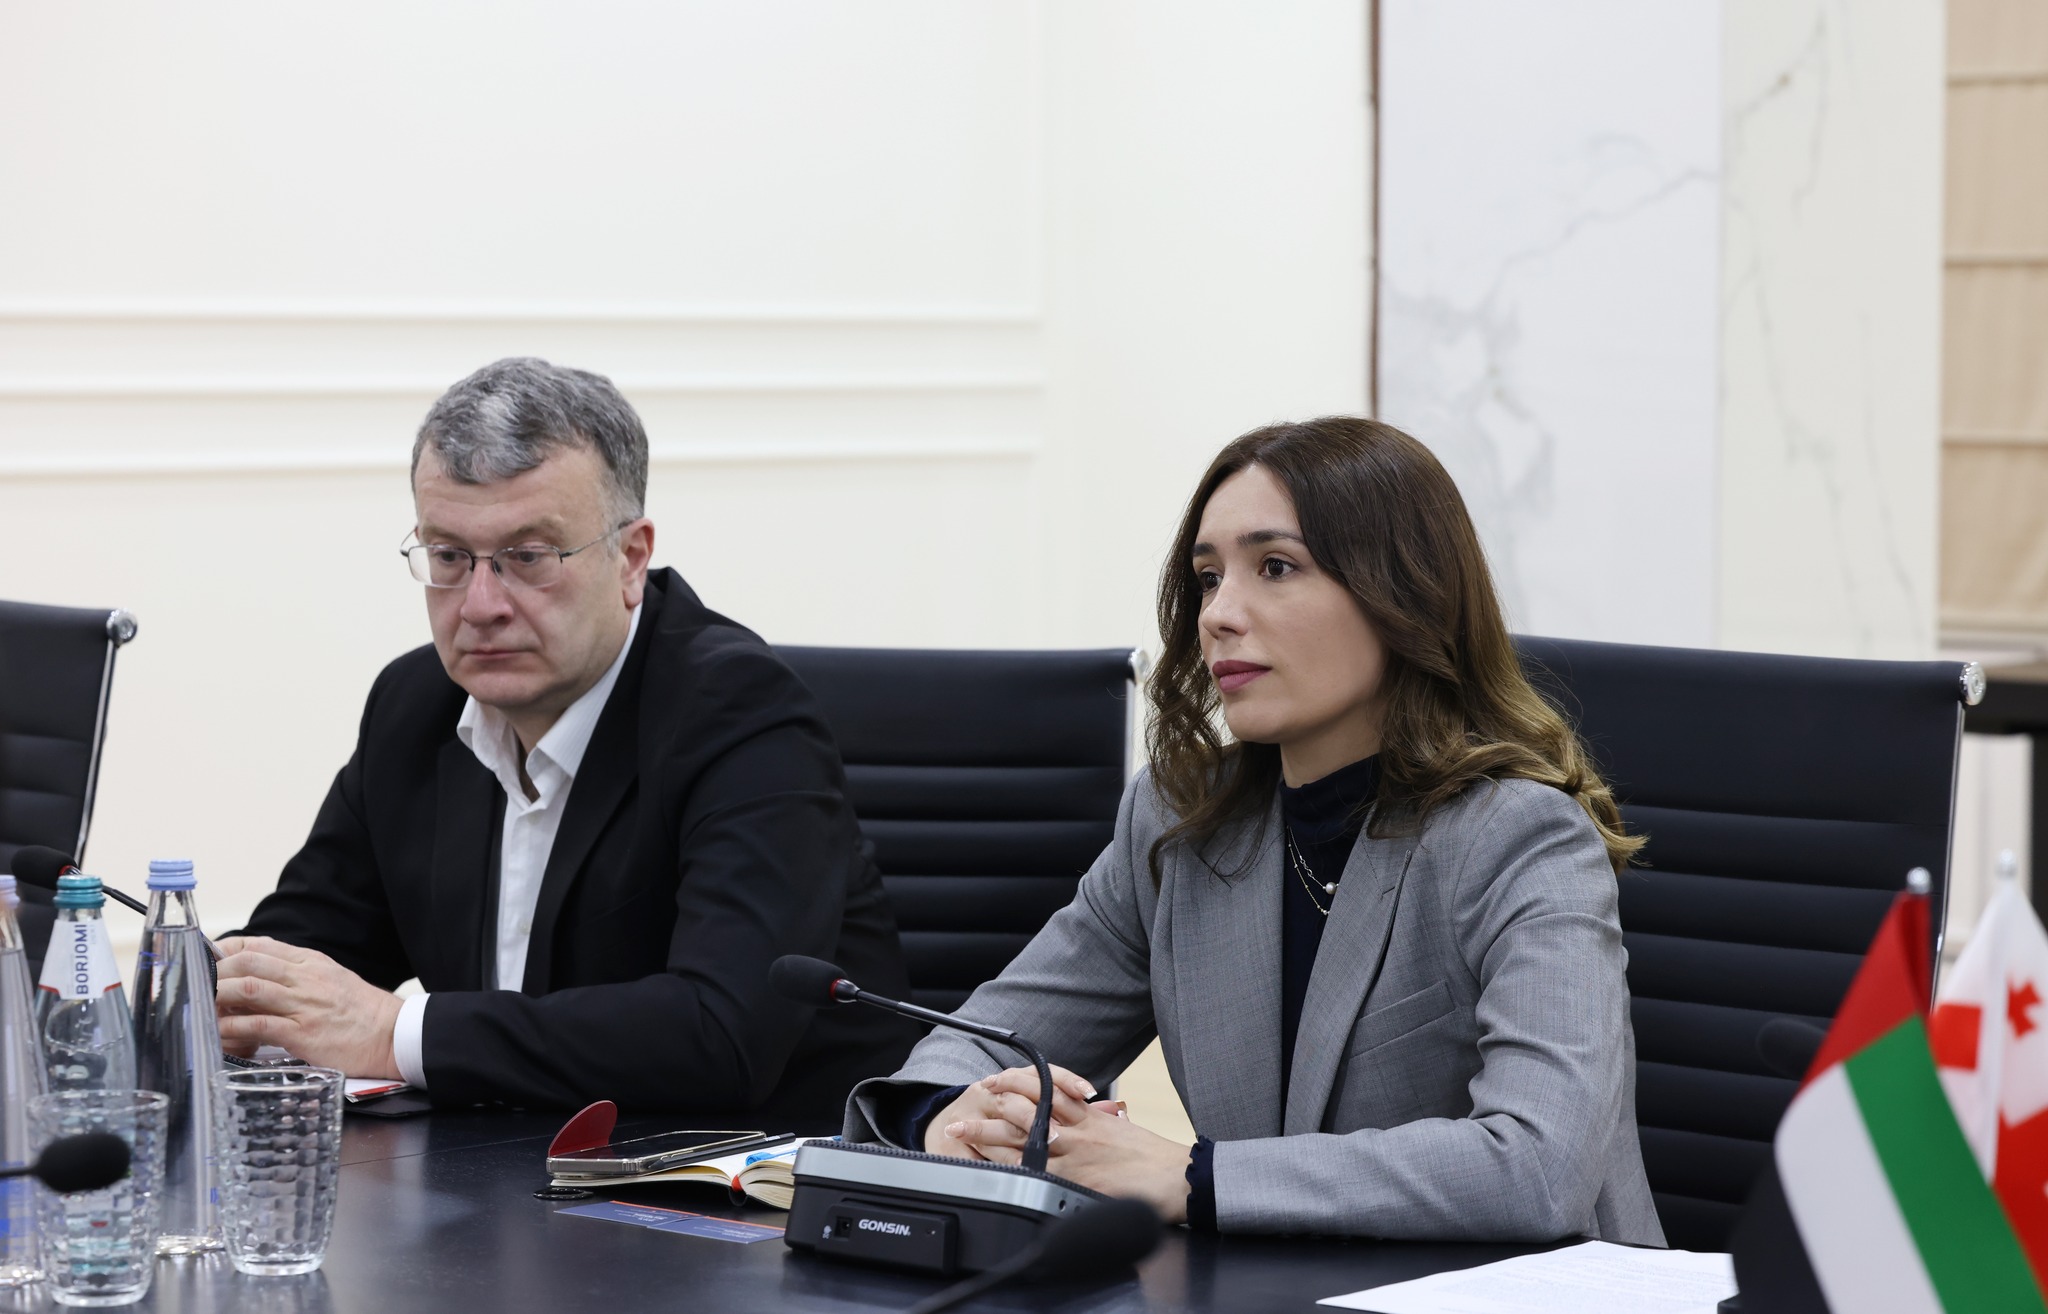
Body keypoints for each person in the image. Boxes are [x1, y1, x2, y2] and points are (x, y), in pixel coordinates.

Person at [844, 416, 1665, 1242]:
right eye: (1208, 578)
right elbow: (991, 1039)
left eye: (1275, 567)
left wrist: (1190, 1176)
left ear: (1403, 595)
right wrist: (946, 1121)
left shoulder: (1519, 835)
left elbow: (1539, 1167)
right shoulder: (1180, 821)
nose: (1219, 615)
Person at [216, 357, 917, 1121]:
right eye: (449, 556)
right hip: (501, 1165)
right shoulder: (415, 705)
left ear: (631, 558)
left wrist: (394, 1032)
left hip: (751, 1175)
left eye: (528, 557)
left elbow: (719, 1035)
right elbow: (303, 952)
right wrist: (193, 991)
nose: (480, 605)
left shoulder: (743, 713)